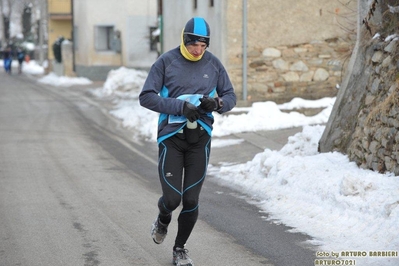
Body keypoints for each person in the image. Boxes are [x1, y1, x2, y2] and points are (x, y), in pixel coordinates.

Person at [139, 17, 236, 266]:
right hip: (172, 138)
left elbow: (230, 96)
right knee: (172, 200)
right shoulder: (166, 62)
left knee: (191, 199)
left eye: (203, 46)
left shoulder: (213, 64)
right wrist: (180, 106)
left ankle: (179, 249)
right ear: (184, 40)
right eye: (194, 44)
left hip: (199, 139)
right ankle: (162, 219)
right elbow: (146, 97)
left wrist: (217, 104)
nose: (198, 50)